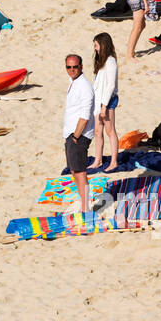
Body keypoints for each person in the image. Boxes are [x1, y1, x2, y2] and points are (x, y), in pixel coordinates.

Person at [63, 54, 96, 213]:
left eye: (75, 67)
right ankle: (83, 202)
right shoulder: (73, 82)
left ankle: (85, 207)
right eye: (69, 67)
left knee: (81, 171)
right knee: (74, 170)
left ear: (81, 67)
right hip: (72, 133)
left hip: (79, 134)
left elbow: (85, 116)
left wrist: (76, 136)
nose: (72, 70)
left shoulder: (84, 87)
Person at [91, 33, 120, 171]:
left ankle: (114, 161)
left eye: (97, 45)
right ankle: (98, 160)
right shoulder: (102, 61)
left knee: (110, 131)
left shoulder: (110, 61)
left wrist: (104, 105)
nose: (95, 48)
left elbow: (110, 86)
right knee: (98, 131)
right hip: (99, 100)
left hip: (108, 101)